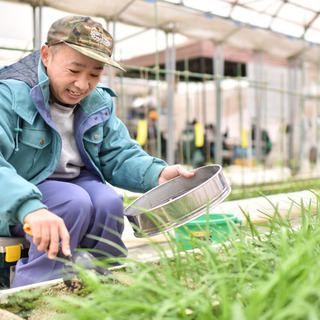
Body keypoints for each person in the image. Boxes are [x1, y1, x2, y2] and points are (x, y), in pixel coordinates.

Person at [0, 15, 194, 287]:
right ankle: (38, 293)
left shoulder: (97, 101)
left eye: (94, 73)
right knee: (72, 201)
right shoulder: (9, 95)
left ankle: (106, 286)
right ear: (46, 55)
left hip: (74, 185)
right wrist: (28, 206)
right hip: (19, 193)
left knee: (107, 201)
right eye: (74, 70)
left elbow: (118, 152)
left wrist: (158, 174)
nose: (82, 84)